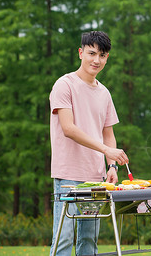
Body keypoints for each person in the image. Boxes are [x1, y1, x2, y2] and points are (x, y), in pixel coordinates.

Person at [49, 31, 129, 256]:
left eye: (102, 55)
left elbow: (108, 134)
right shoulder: (64, 85)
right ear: (80, 53)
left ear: (107, 58)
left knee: (88, 242)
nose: (96, 60)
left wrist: (112, 165)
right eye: (92, 53)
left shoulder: (104, 93)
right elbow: (69, 129)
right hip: (68, 175)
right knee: (63, 239)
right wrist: (106, 150)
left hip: (96, 178)